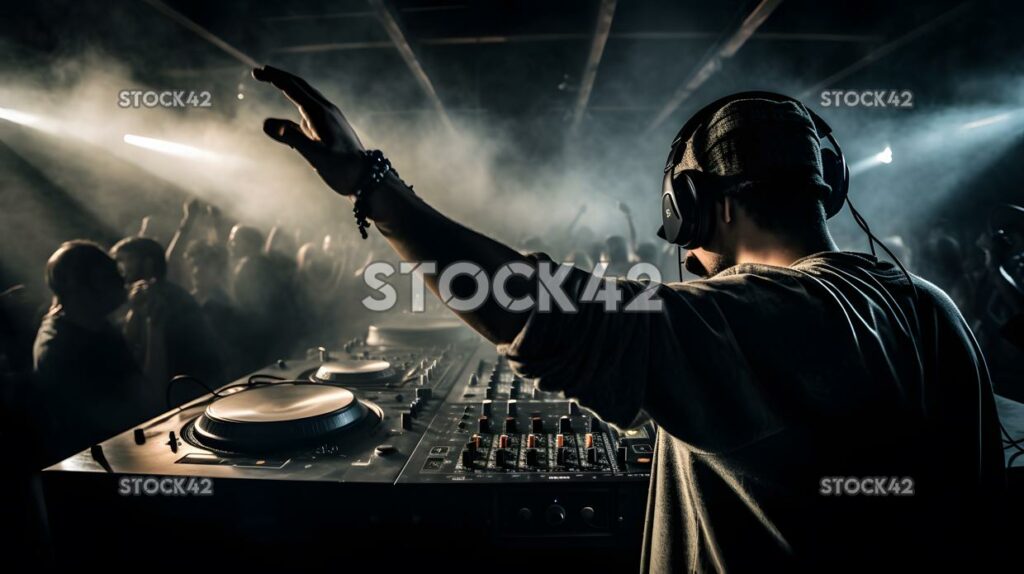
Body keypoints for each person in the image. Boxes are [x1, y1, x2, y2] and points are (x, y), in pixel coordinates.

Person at [253, 66, 1004, 572]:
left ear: (691, 207)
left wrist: (374, 186)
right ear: (827, 187)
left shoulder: (767, 314)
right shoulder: (927, 304)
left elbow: (547, 310)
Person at [31, 241, 161, 464]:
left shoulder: (86, 326)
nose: (122, 281)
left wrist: (139, 316)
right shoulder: (63, 349)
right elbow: (148, 405)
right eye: (110, 275)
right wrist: (156, 324)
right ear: (83, 287)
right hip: (105, 472)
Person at [110, 236, 224, 396]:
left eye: (128, 260)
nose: (121, 268)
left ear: (148, 264)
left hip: (184, 394)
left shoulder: (159, 298)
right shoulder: (154, 295)